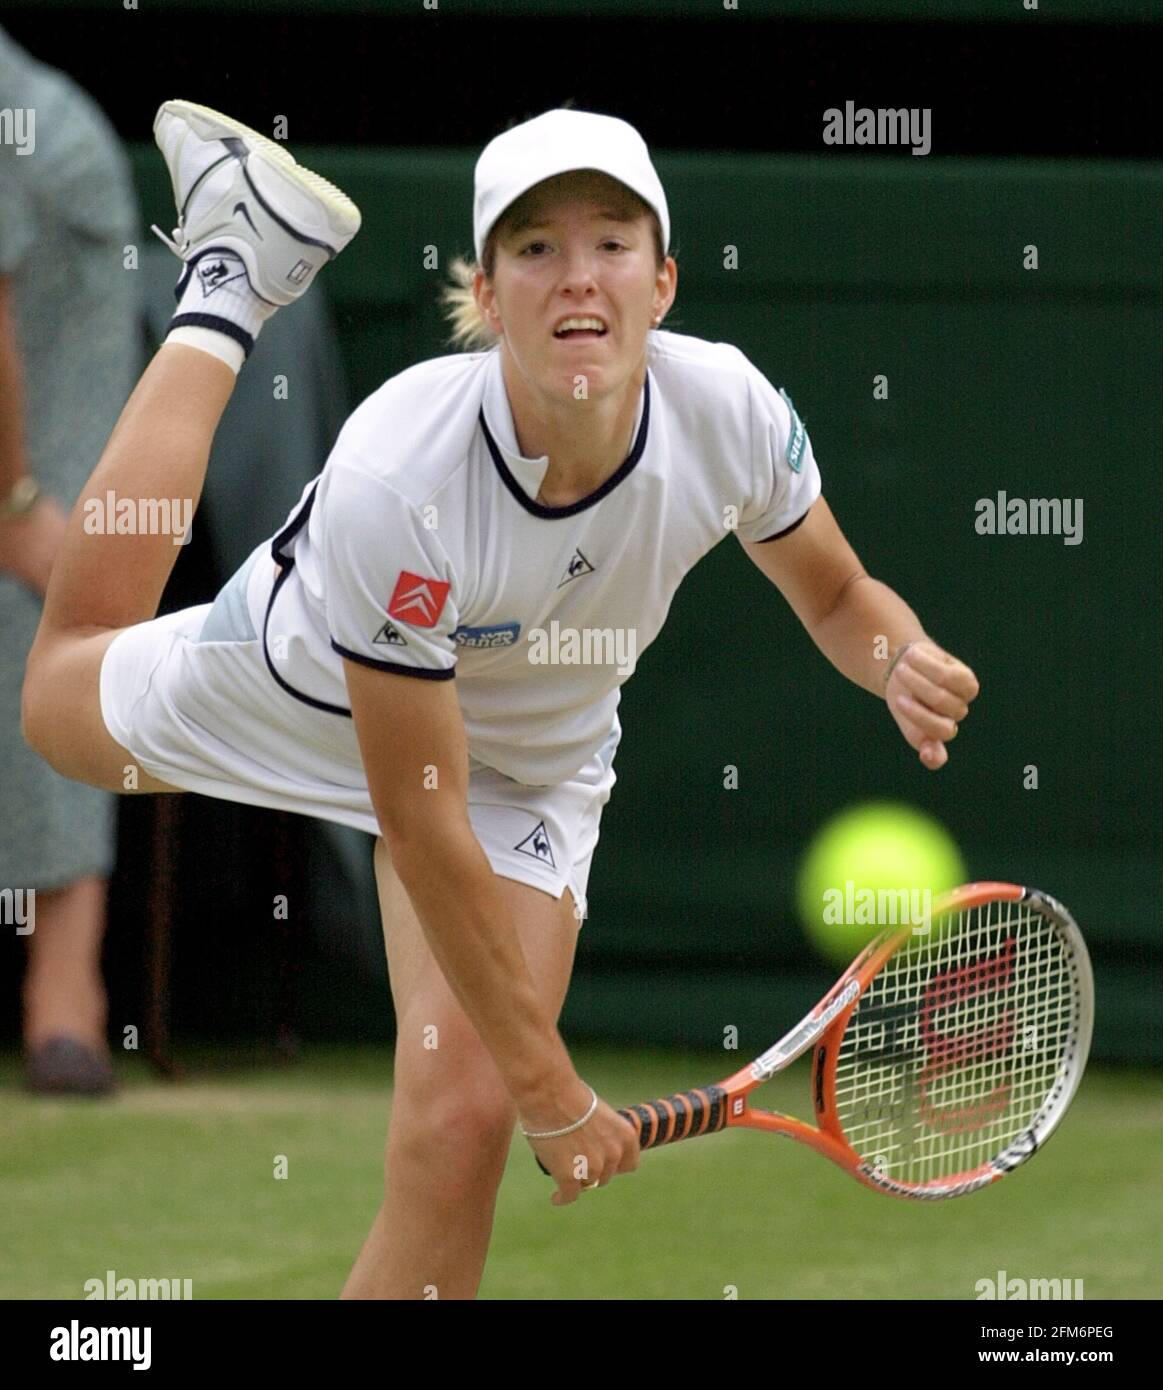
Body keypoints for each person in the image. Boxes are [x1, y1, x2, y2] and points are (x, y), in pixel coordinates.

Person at [21, 100, 980, 1298]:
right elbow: (419, 819)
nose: (576, 277)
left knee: (457, 1126)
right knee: (59, 702)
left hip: (528, 769)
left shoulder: (730, 412)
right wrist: (556, 1091)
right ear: (484, 290)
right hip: (308, 684)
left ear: (663, 280)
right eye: (534, 249)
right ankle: (228, 281)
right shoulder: (400, 475)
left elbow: (838, 596)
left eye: (610, 244)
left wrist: (895, 658)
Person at [0, 25, 143, 1094]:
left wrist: (14, 505)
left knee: (49, 617)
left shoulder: (34, 129)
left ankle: (67, 998)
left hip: (46, 465)